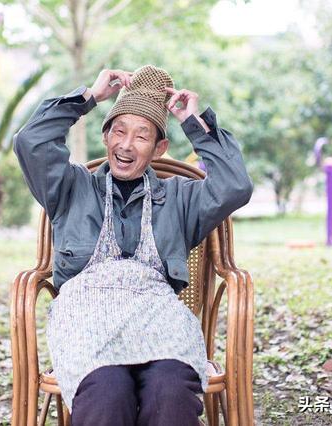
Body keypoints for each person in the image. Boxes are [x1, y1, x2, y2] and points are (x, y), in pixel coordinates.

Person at [13, 65, 253, 426]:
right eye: (119, 131)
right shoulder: (69, 188)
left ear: (160, 148)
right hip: (86, 327)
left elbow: (235, 186)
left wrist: (194, 123)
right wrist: (89, 97)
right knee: (107, 394)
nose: (126, 145)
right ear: (106, 137)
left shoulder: (181, 199)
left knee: (171, 391)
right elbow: (30, 141)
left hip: (160, 325)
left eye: (142, 136)